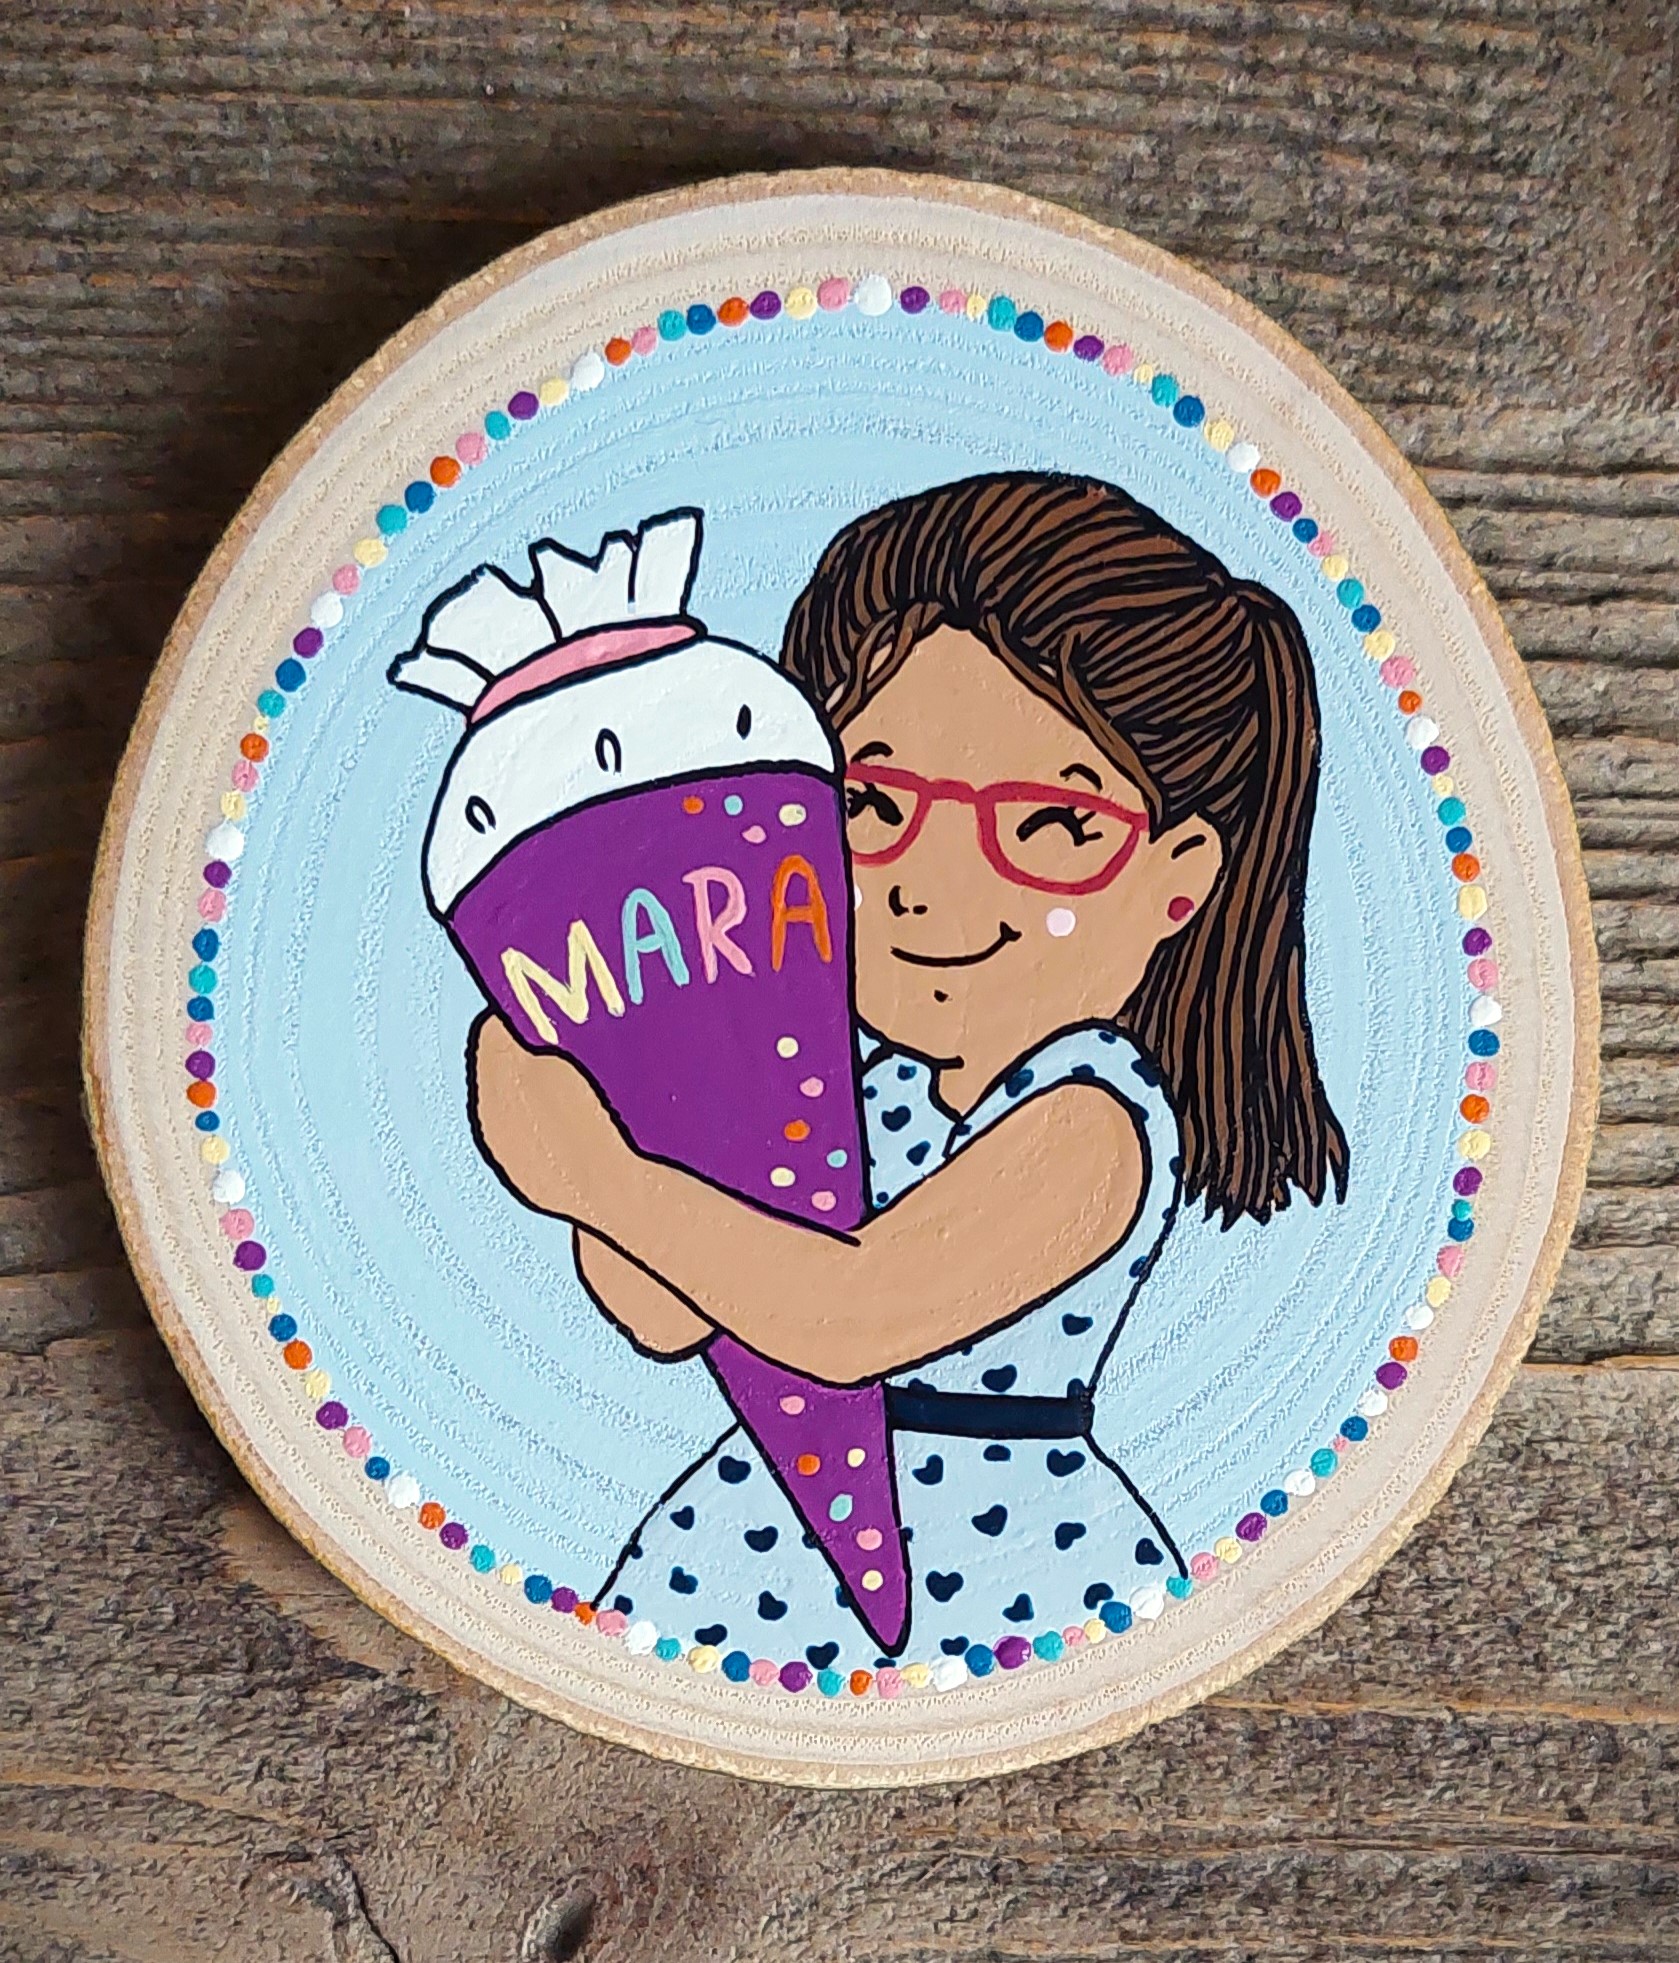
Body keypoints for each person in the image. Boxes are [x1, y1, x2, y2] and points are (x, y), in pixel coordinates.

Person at [470, 470, 1349, 1669]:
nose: (928, 883)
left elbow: (850, 1318)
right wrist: (624, 1067)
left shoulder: (1089, 1122)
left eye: (1049, 827)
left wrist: (597, 1175)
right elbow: (663, 1313)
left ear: (1176, 878)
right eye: (873, 802)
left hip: (994, 1580)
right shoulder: (853, 1080)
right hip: (750, 1545)